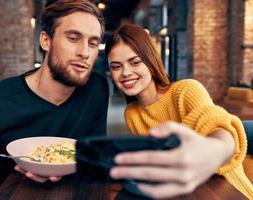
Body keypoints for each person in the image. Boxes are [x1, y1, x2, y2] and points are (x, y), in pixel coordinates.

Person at [0, 0, 108, 199]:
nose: (85, 52)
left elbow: (95, 158)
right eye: (73, 38)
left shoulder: (96, 90)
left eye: (93, 43)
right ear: (46, 40)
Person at [105, 23, 253, 199]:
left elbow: (218, 126)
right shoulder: (132, 113)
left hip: (226, 190)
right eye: (116, 67)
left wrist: (217, 148)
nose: (125, 73)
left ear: (151, 61)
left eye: (135, 62)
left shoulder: (186, 90)